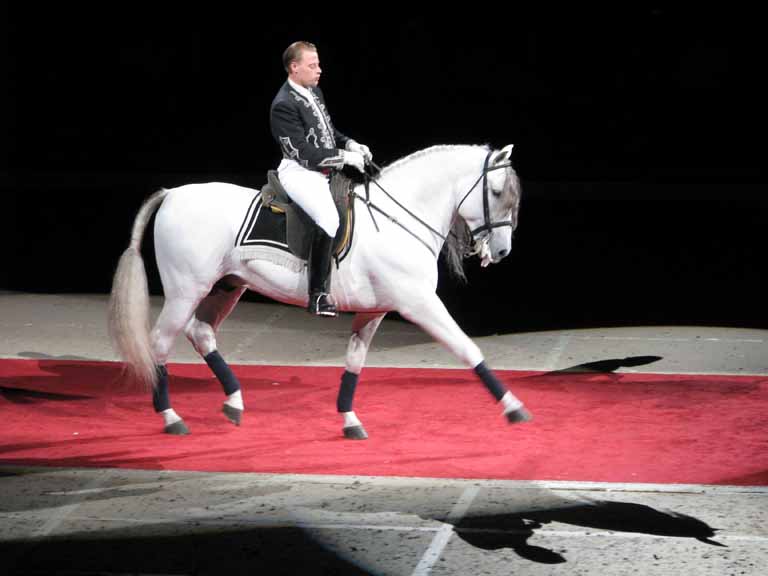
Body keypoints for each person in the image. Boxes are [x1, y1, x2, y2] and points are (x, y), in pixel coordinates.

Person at [270, 41, 373, 317]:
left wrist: (351, 144)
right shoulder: (283, 105)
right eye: (312, 65)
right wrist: (343, 158)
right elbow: (303, 153)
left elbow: (329, 132)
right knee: (328, 218)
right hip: (300, 173)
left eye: (318, 64)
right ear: (294, 68)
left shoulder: (314, 92)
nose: (319, 70)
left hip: (324, 170)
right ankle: (317, 294)